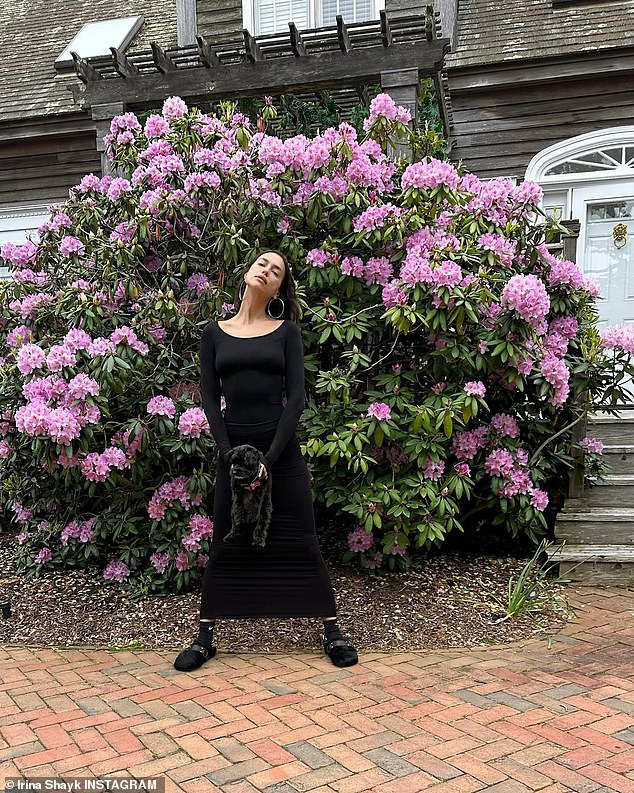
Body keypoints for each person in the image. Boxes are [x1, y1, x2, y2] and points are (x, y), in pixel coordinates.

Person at [174, 250, 359, 671]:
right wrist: (229, 455)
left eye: (276, 271)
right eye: (262, 264)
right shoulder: (213, 333)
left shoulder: (286, 332)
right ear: (247, 271)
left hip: (281, 450)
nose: (267, 271)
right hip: (233, 450)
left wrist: (269, 460)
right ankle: (205, 638)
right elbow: (207, 396)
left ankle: (331, 630)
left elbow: (296, 399)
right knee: (228, 536)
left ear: (278, 288)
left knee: (301, 536)